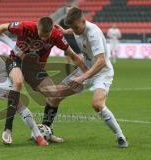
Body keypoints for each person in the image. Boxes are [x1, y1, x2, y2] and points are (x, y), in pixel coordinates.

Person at [0, 16, 88, 145]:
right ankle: (7, 129)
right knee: (17, 82)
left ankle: (46, 130)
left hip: (35, 68)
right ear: (37, 28)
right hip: (16, 61)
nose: (44, 38)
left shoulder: (56, 35)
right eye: (42, 35)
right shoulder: (26, 27)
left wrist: (87, 72)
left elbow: (73, 55)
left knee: (54, 96)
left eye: (47, 35)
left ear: (52, 30)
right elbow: (2, 27)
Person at [44, 7, 128, 148]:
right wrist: (66, 31)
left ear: (84, 21)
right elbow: (74, 28)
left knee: (97, 104)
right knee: (54, 96)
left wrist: (82, 78)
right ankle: (45, 131)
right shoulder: (77, 27)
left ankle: (120, 137)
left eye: (76, 27)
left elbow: (101, 61)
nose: (75, 30)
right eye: (72, 27)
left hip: (102, 72)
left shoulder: (93, 33)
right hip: (86, 70)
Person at [59, 5, 81, 75]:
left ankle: (76, 72)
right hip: (67, 41)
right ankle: (68, 74)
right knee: (68, 59)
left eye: (69, 10)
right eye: (67, 10)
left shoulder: (76, 20)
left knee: (78, 58)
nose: (68, 11)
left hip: (75, 40)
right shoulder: (63, 20)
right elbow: (60, 30)